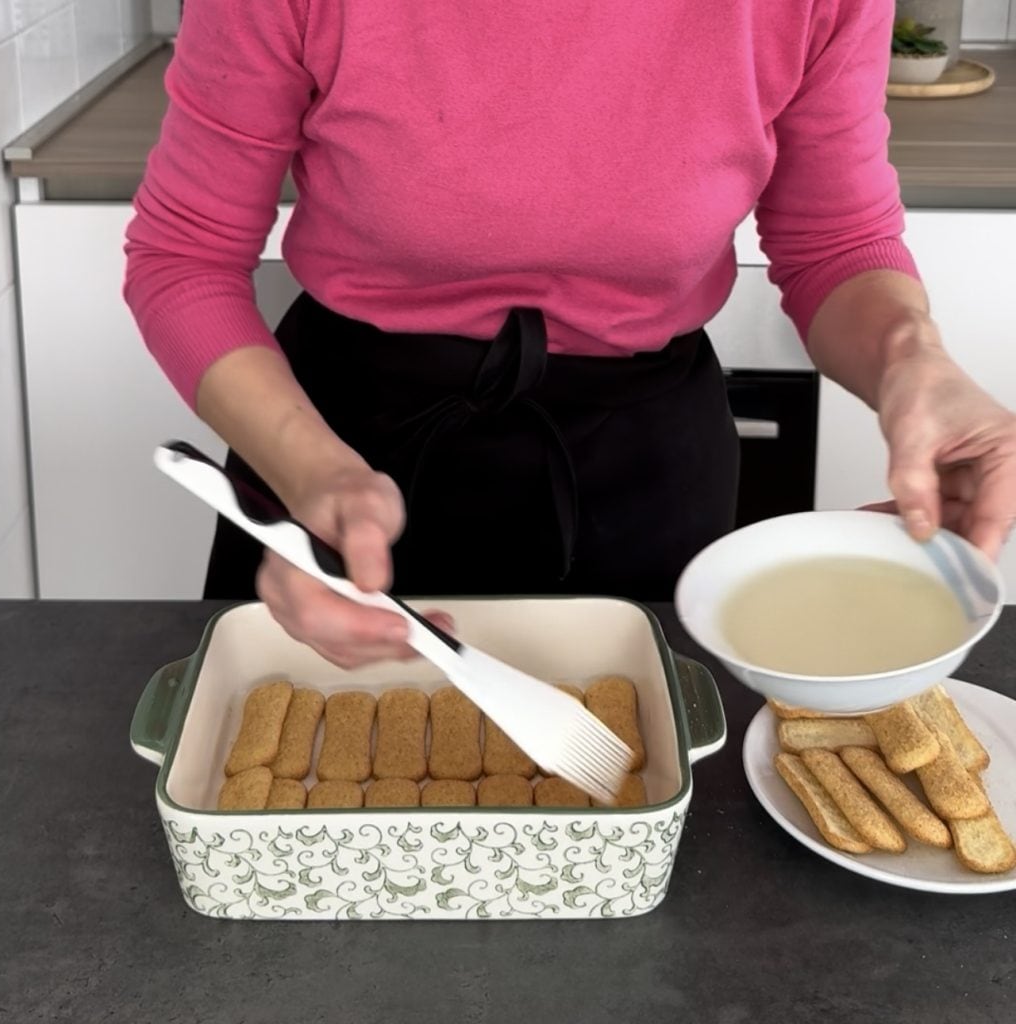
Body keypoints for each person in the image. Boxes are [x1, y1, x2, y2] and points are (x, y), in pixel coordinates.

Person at [124, 1, 1016, 669]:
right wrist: (311, 472)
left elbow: (835, 242)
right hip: (339, 440)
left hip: (645, 468)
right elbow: (185, 255)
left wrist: (912, 360)